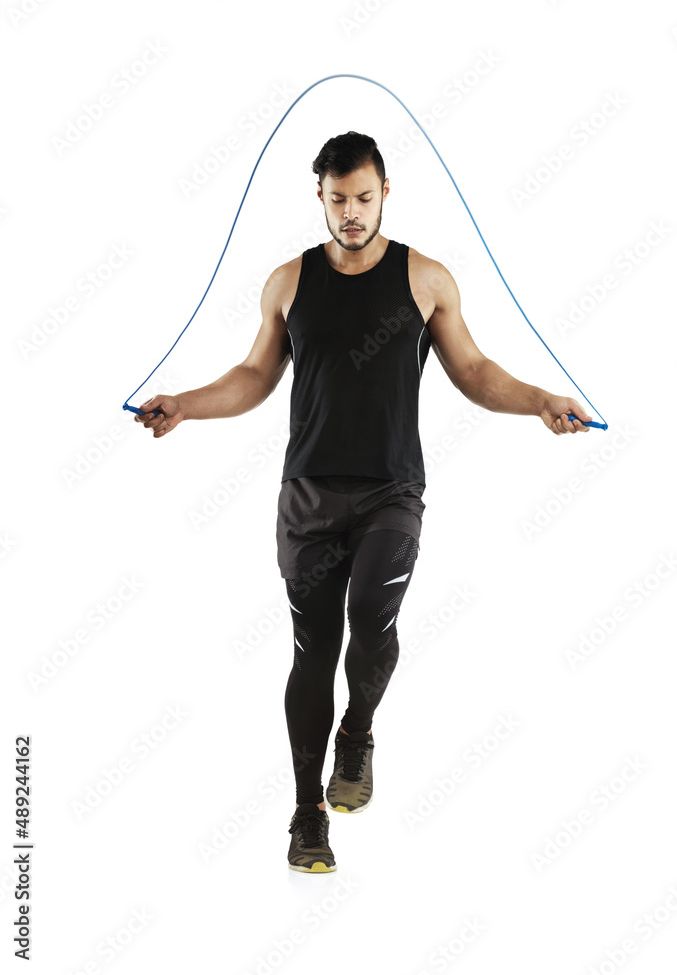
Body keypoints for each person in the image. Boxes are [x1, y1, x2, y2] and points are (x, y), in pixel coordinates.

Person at [134, 130, 593, 873]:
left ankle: (358, 732)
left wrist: (539, 399)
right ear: (318, 195)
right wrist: (185, 404)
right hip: (307, 494)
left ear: (386, 192)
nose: (352, 213)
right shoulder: (288, 282)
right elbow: (253, 376)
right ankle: (307, 811)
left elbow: (471, 370)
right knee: (313, 650)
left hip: (390, 490)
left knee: (371, 623)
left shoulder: (426, 279)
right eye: (339, 199)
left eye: (365, 198)